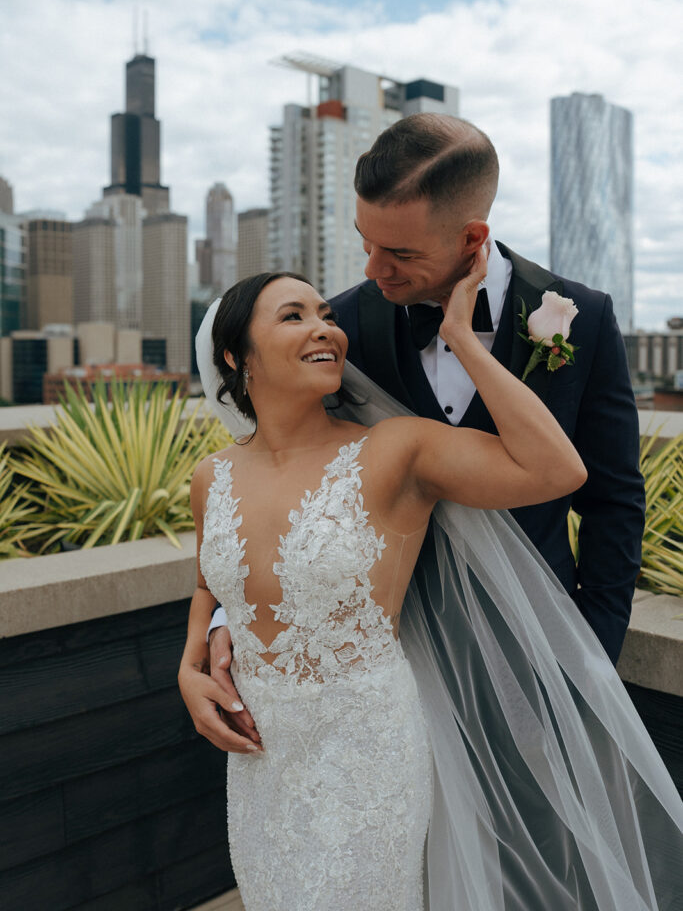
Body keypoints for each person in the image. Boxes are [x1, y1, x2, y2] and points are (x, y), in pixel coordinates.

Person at [181, 267, 682, 911]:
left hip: (365, 753)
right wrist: (191, 664)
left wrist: (463, 341)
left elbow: (557, 469)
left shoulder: (396, 450)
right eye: (293, 316)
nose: (325, 328)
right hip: (261, 760)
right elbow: (209, 579)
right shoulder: (210, 477)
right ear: (233, 355)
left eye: (326, 315)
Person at [181, 113, 645, 755]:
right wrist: (229, 617)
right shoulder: (337, 327)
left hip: (535, 653)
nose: (375, 269)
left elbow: (614, 501)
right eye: (364, 242)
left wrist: (591, 657)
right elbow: (282, 472)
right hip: (386, 662)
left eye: (399, 253)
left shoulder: (578, 316)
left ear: (471, 236)